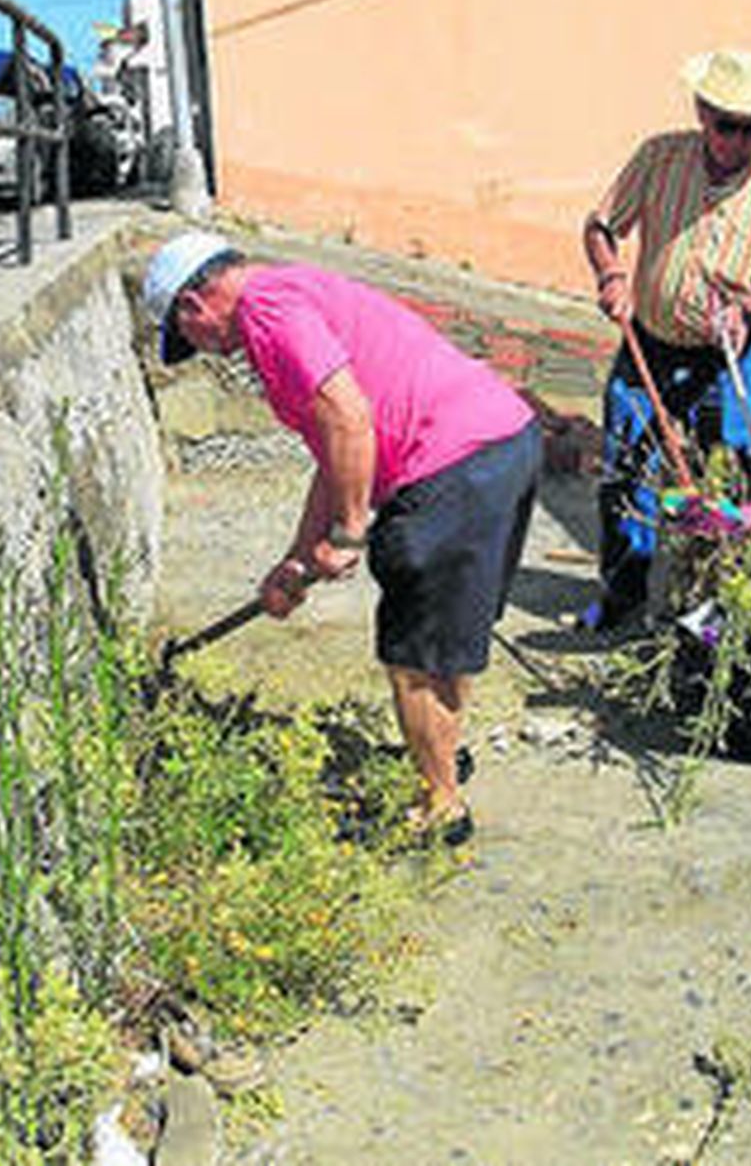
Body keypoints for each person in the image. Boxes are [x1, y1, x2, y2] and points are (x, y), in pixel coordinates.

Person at [142, 230, 542, 841]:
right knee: (444, 633)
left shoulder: (267, 314)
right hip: (501, 441)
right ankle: (441, 758)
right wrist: (296, 563)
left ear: (193, 307)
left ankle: (441, 810)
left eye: (188, 340)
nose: (205, 352)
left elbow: (348, 417)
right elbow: (334, 453)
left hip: (449, 463)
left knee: (412, 654)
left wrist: (351, 534)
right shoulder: (292, 290)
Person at [579, 47, 751, 631]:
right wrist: (611, 275)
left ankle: (709, 608)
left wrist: (744, 309)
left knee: (723, 484)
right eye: (728, 125)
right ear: (702, 113)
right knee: (626, 470)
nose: (739, 140)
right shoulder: (660, 157)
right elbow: (602, 226)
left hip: (724, 359)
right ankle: (624, 592)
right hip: (648, 345)